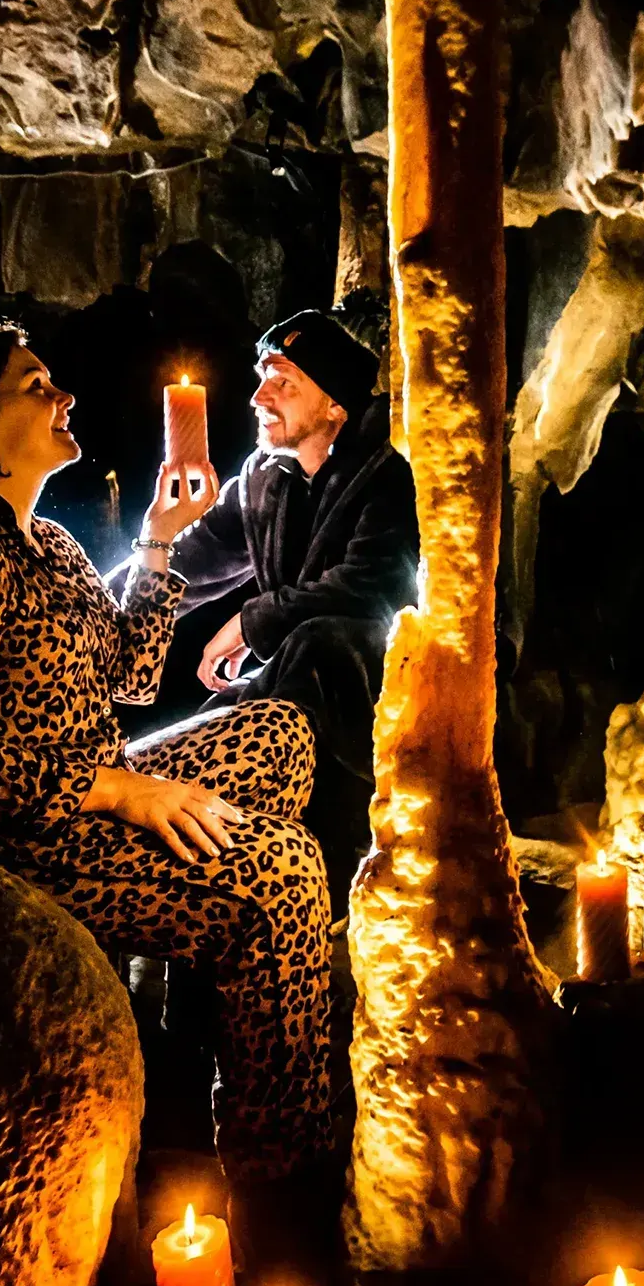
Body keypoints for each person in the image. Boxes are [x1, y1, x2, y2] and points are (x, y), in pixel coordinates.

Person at [0, 321, 335, 1195]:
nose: (64, 396)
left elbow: (132, 675)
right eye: (36, 384)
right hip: (12, 840)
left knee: (276, 733)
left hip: (92, 789)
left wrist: (158, 537)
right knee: (281, 875)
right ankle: (284, 1171)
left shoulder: (49, 544)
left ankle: (216, 989)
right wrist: (115, 791)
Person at [164, 308, 417, 891]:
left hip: (385, 677)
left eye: (283, 383)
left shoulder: (389, 471)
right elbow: (194, 556)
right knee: (218, 726)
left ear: (334, 405)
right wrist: (99, 598)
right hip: (305, 673)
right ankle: (206, 833)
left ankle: (326, 865)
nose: (259, 397)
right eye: (261, 378)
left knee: (315, 642)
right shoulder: (264, 476)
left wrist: (252, 622)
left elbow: (374, 583)